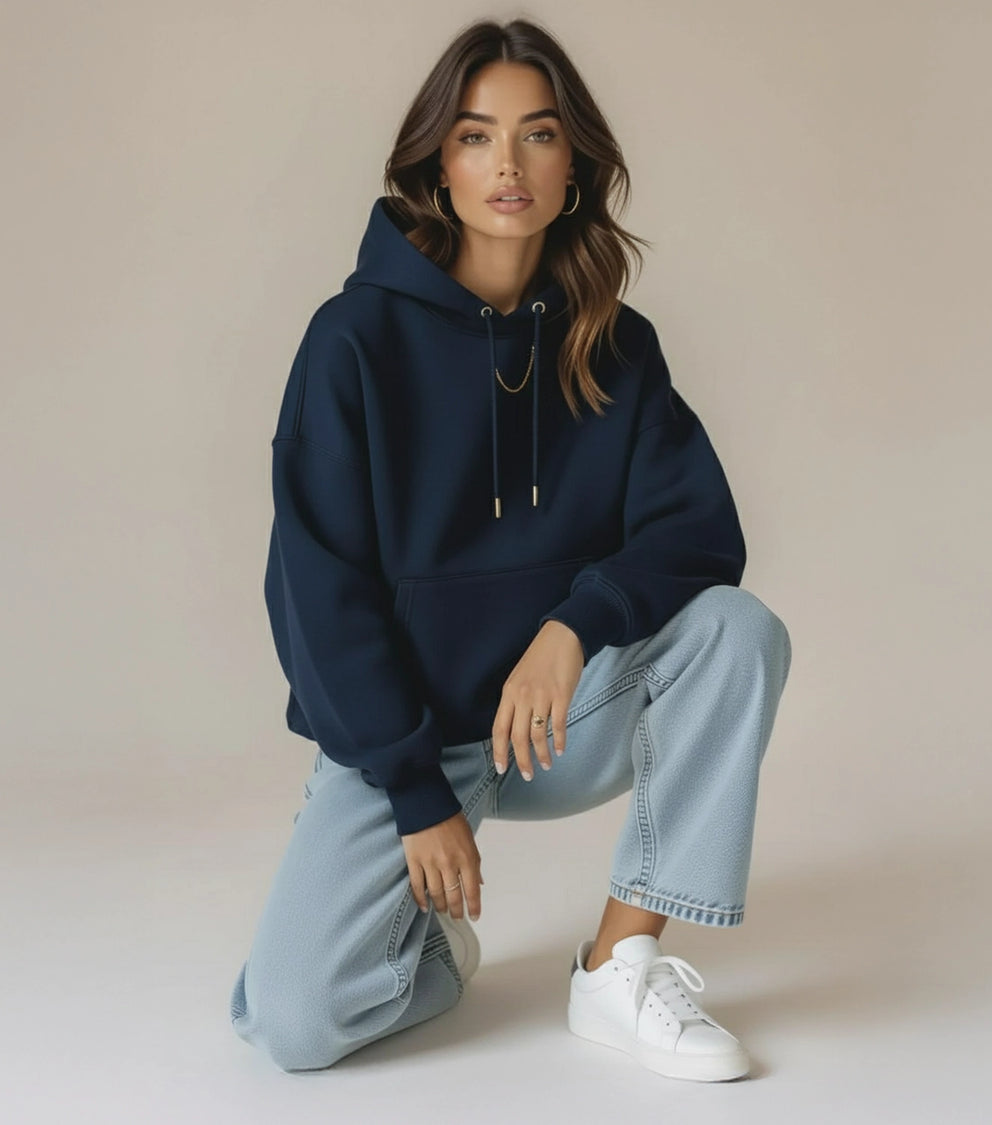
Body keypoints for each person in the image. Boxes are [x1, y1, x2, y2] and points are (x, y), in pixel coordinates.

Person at [227, 17, 792, 1083]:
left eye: (537, 134)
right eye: (477, 136)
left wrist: (573, 627)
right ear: (438, 164)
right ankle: (432, 945)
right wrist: (412, 789)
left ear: (572, 163)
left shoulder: (614, 344)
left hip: (555, 722)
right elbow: (319, 592)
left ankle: (618, 965)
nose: (508, 165)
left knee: (737, 632)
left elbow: (700, 533)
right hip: (409, 733)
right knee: (292, 1024)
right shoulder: (351, 341)